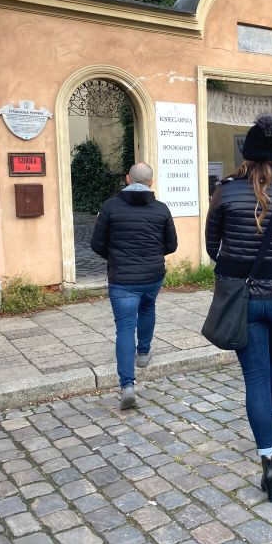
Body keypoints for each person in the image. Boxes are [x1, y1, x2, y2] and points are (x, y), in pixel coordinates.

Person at [205, 114, 272, 503]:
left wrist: (233, 267)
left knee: (255, 377)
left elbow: (210, 244)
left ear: (245, 154)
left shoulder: (227, 192)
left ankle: (268, 460)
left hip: (245, 298)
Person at [90, 162, 178, 411]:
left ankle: (128, 385)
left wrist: (116, 256)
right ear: (151, 182)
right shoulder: (161, 209)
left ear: (128, 179)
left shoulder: (110, 207)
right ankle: (144, 353)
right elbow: (171, 245)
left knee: (125, 328)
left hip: (122, 278)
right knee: (148, 309)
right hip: (152, 275)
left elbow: (97, 244)